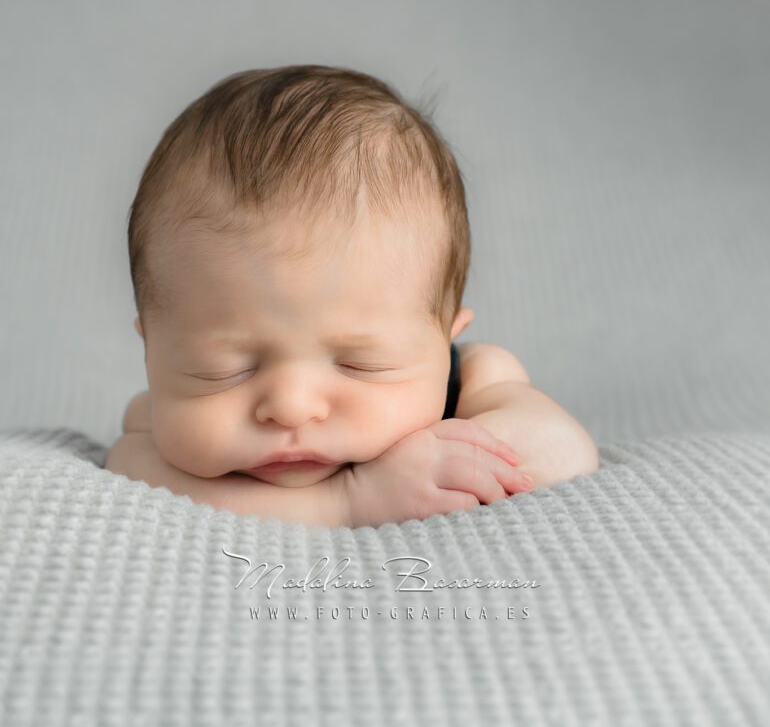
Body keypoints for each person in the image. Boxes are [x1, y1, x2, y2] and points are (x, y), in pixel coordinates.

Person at [105, 65, 599, 527]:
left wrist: (450, 457)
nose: (292, 407)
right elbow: (131, 468)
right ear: (152, 350)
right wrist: (348, 502)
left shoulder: (474, 379)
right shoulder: (158, 420)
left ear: (443, 338)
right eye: (222, 370)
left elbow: (566, 451)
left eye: (359, 364)